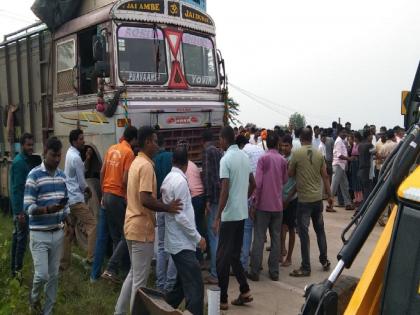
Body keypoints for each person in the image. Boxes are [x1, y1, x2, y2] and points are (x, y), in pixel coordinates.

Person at [114, 126, 182, 315]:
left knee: (133, 275)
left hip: (131, 225)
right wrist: (167, 207)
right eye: (154, 140)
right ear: (147, 142)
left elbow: (127, 183)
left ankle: (119, 312)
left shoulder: (136, 162)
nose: (157, 145)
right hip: (141, 229)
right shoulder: (146, 166)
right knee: (140, 283)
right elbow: (145, 199)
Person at [24, 137, 70, 315]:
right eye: (53, 155)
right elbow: (28, 207)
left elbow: (64, 204)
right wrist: (48, 209)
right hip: (39, 234)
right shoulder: (34, 175)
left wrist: (68, 219)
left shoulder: (62, 176)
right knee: (41, 275)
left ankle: (47, 311)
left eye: (59, 155)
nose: (57, 159)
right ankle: (34, 298)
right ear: (45, 152)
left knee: (53, 277)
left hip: (57, 233)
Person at [213, 126, 255, 310]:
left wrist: (217, 217)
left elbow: (224, 190)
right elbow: (254, 184)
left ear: (224, 139)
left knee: (221, 258)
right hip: (241, 213)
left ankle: (222, 299)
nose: (218, 142)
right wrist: (242, 199)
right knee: (233, 256)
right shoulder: (244, 157)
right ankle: (245, 290)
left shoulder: (226, 159)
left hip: (229, 215)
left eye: (219, 139)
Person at [162, 147, 207, 315]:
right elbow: (181, 217)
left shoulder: (168, 179)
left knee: (181, 287)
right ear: (187, 164)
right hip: (182, 243)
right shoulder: (180, 182)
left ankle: (162, 309)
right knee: (196, 286)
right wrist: (198, 238)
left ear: (173, 161)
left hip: (176, 241)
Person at [94, 126, 137, 283]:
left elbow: (102, 172)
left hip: (106, 196)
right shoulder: (129, 153)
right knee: (127, 234)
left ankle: (117, 274)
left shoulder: (112, 148)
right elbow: (125, 179)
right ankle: (111, 268)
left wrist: (103, 192)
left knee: (115, 236)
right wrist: (128, 196)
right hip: (118, 196)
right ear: (134, 139)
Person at [289, 128, 333, 277]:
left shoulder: (296, 154)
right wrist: (330, 195)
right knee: (320, 230)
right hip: (317, 200)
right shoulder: (319, 154)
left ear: (301, 138)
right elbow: (325, 176)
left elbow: (290, 174)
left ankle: (306, 267)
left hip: (304, 201)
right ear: (312, 137)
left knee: (303, 232)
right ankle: (324, 260)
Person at [248, 131, 288, 281]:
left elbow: (258, 183)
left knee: (259, 237)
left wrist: (254, 202)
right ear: (277, 144)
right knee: (276, 238)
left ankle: (255, 271)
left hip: (263, 205)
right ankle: (274, 271)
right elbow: (284, 180)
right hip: (277, 205)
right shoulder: (283, 160)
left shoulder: (263, 159)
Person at [61, 129, 96, 270]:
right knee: (93, 225)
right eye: (81, 139)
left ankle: (63, 264)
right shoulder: (75, 157)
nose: (84, 141)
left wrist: (87, 158)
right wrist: (88, 190)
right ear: (75, 141)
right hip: (76, 200)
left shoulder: (70, 154)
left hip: (69, 199)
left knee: (69, 230)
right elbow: (82, 183)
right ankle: (91, 260)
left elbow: (80, 169)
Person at [154, 133, 177, 293]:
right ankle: (170, 285)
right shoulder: (171, 157)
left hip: (159, 204)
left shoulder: (153, 161)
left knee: (161, 246)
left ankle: (160, 284)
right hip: (173, 205)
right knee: (174, 245)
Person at [10, 133, 34, 279]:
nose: (31, 147)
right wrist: (19, 213)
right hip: (22, 210)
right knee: (21, 241)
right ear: (22, 145)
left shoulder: (22, 160)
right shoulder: (19, 163)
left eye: (32, 144)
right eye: (28, 145)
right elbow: (17, 189)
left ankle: (14, 270)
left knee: (17, 238)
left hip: (21, 208)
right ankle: (17, 272)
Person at [201, 129, 223, 285]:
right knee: (218, 235)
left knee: (213, 235)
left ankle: (215, 273)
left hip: (213, 198)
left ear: (203, 141)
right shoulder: (219, 152)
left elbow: (208, 175)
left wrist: (207, 199)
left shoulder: (207, 152)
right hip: (220, 195)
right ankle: (218, 269)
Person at [241, 135, 265, 272]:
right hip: (262, 192)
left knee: (247, 229)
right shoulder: (260, 150)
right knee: (259, 231)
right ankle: (258, 262)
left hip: (250, 192)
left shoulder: (243, 152)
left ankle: (244, 263)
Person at [280, 135, 297, 267]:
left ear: (291, 146)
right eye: (283, 145)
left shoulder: (294, 160)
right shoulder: (281, 159)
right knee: (281, 227)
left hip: (291, 200)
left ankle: (289, 257)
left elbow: (297, 183)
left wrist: (289, 198)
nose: (284, 148)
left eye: (287, 145)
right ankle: (282, 252)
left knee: (291, 229)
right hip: (281, 199)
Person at [330, 127, 355, 211]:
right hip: (338, 166)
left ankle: (348, 204)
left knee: (345, 185)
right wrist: (349, 159)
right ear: (339, 133)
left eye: (345, 132)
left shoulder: (341, 141)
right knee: (333, 187)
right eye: (343, 132)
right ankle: (329, 206)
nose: (345, 134)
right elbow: (339, 155)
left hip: (341, 166)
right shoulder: (338, 141)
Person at [357, 129, 374, 202]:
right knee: (368, 190)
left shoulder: (360, 145)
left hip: (361, 170)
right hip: (368, 170)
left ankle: (364, 205)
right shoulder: (370, 145)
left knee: (364, 190)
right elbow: (376, 154)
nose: (372, 137)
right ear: (368, 136)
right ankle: (365, 208)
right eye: (371, 135)